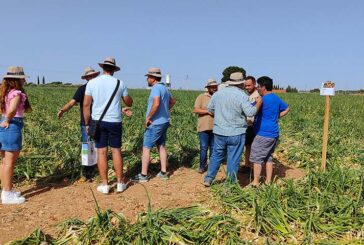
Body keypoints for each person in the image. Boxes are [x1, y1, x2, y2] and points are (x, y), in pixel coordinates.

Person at [83, 57, 133, 194]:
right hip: (115, 121)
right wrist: (126, 98)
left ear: (103, 68)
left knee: (101, 152)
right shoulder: (120, 83)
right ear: (114, 70)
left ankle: (105, 184)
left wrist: (87, 123)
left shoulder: (92, 83)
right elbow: (129, 102)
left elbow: (86, 105)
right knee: (116, 151)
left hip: (98, 121)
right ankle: (119, 183)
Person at [204, 72, 262, 186]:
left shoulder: (218, 94)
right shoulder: (242, 96)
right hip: (236, 132)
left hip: (219, 131)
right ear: (241, 83)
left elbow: (210, 109)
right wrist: (258, 102)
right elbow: (250, 112)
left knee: (216, 155)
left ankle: (208, 178)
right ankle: (230, 183)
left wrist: (220, 117)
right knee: (233, 158)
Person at [133, 68, 176, 182]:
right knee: (161, 146)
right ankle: (163, 172)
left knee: (146, 147)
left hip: (155, 123)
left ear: (152, 78)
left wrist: (149, 117)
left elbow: (156, 104)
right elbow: (172, 101)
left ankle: (143, 175)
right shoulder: (165, 88)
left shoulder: (156, 88)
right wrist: (165, 111)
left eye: (148, 77)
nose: (147, 79)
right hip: (164, 121)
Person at [57, 67, 100, 180]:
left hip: (100, 121)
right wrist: (62, 110)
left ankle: (97, 169)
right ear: (86, 78)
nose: (92, 77)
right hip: (86, 123)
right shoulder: (82, 89)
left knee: (98, 145)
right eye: (89, 76)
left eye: (93, 75)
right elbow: (72, 103)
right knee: (87, 146)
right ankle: (87, 172)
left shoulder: (100, 88)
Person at [250, 76, 289, 187]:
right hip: (274, 133)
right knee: (268, 157)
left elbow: (251, 111)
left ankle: (255, 182)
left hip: (263, 134)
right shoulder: (276, 98)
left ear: (264, 87)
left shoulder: (261, 100)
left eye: (258, 86)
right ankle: (268, 181)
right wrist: (276, 117)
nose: (257, 88)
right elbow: (286, 109)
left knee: (257, 157)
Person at [0, 66, 32, 204]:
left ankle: (6, 190)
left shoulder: (5, 92)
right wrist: (8, 120)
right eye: (22, 78)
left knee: (4, 162)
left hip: (3, 124)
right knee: (10, 163)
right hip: (12, 126)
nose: (24, 80)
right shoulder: (17, 93)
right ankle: (7, 194)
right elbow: (12, 109)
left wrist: (4, 119)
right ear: (17, 80)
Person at [193, 78, 218, 173]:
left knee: (213, 148)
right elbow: (196, 110)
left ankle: (211, 167)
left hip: (215, 127)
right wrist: (208, 111)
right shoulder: (201, 97)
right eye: (212, 87)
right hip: (203, 127)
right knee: (203, 147)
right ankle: (202, 166)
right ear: (208, 88)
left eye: (215, 87)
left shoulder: (218, 96)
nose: (214, 88)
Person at [239, 76, 260, 173]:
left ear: (254, 84)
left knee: (253, 147)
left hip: (254, 126)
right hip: (247, 126)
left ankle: (252, 166)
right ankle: (247, 165)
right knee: (248, 146)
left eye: (249, 85)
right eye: (245, 85)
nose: (247, 87)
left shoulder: (257, 96)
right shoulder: (246, 95)